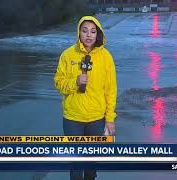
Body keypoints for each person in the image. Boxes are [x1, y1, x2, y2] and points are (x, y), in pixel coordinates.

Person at [54, 16, 117, 180]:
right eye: (85, 31)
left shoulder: (106, 57)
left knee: (91, 163)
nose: (89, 35)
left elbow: (110, 90)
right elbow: (58, 83)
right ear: (79, 33)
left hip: (97, 119)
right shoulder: (67, 55)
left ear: (98, 34)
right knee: (75, 164)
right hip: (72, 119)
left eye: (93, 31)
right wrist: (75, 82)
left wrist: (109, 119)